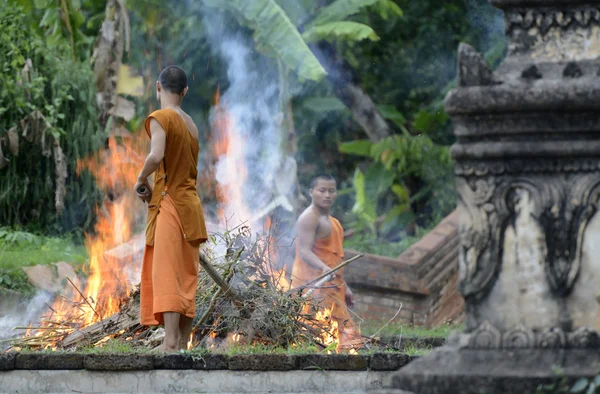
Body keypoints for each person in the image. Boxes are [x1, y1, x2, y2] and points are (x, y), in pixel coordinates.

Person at [134, 65, 208, 352]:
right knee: (186, 275)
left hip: (172, 205)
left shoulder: (160, 118)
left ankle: (169, 342)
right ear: (185, 91)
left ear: (158, 87)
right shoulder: (191, 124)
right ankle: (183, 342)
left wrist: (141, 178)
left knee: (167, 272)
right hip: (191, 207)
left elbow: (157, 155)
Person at [291, 174, 362, 352]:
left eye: (331, 191)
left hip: (332, 286)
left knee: (344, 337)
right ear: (311, 192)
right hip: (313, 285)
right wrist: (323, 267)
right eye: (322, 190)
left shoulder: (335, 223)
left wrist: (344, 287)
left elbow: (335, 260)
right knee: (316, 334)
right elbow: (305, 250)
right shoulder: (309, 217)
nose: (327, 195)